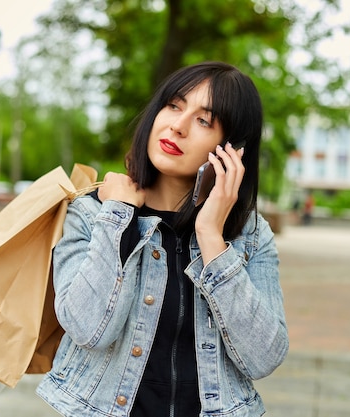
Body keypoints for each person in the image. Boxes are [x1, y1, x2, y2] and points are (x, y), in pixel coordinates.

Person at [36, 61, 288, 417]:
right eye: (174, 105)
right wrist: (119, 215)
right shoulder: (94, 213)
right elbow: (88, 329)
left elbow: (263, 357)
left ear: (233, 149)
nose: (178, 126)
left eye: (204, 121)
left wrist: (212, 239)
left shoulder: (249, 235)